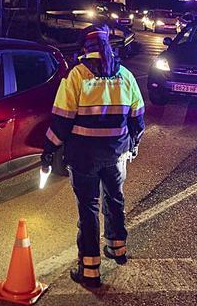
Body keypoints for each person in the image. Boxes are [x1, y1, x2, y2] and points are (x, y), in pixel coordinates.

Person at [42, 24, 145, 288]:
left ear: (85, 48)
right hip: (116, 155)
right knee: (115, 199)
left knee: (89, 208)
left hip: (84, 156)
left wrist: (49, 149)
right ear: (107, 46)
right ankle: (117, 249)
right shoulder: (125, 75)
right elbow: (138, 119)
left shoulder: (76, 76)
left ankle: (89, 270)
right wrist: (132, 145)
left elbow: (62, 121)